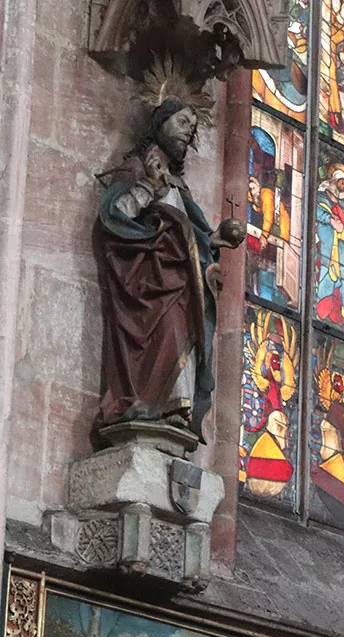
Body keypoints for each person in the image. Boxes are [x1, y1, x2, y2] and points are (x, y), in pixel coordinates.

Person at [94, 97, 243, 442]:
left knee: (183, 331)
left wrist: (214, 240)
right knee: (166, 331)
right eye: (181, 123)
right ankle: (146, 403)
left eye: (192, 127)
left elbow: (193, 235)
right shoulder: (135, 167)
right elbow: (115, 217)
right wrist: (148, 187)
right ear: (160, 123)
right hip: (146, 280)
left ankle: (176, 410)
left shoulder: (180, 185)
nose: (187, 133)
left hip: (178, 281)